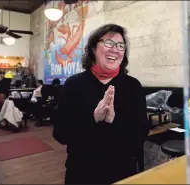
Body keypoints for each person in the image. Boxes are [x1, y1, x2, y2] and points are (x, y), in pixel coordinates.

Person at [52, 24, 150, 184]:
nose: (115, 50)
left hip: (122, 172)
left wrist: (114, 121)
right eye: (109, 43)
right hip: (81, 172)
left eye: (120, 46)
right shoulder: (73, 85)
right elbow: (60, 134)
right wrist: (93, 118)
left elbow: (141, 134)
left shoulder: (133, 86)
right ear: (93, 48)